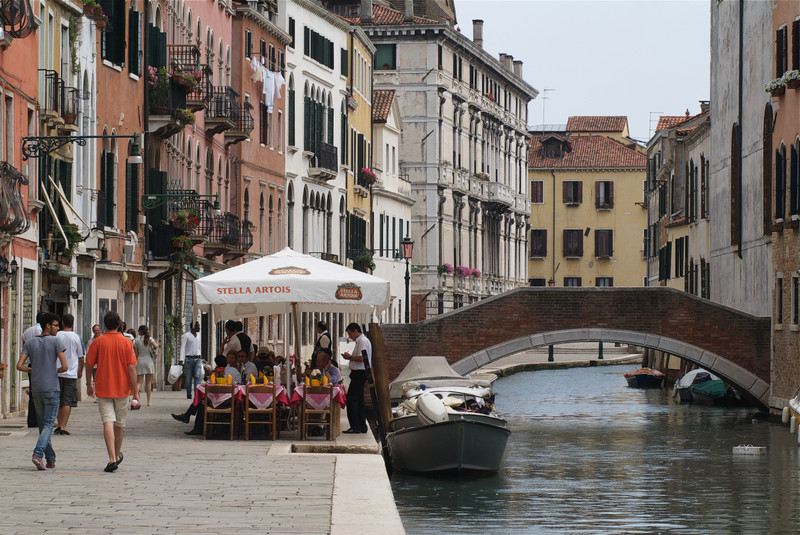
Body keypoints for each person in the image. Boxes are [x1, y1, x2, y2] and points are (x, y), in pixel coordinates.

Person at [85, 311, 139, 473]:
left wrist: (89, 384)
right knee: (119, 424)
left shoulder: (97, 342)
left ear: (104, 325)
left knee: (107, 421)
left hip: (102, 387)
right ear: (119, 325)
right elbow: (132, 367)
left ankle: (112, 458)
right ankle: (116, 454)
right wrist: (136, 391)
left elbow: (89, 365)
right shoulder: (126, 342)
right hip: (122, 388)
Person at [16, 312, 67, 470]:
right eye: (56, 325)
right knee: (49, 424)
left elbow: (19, 365)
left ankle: (50, 459)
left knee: (43, 426)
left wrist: (33, 370)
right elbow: (65, 367)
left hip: (36, 389)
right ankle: (38, 454)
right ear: (48, 326)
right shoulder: (56, 341)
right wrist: (52, 370)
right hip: (51, 388)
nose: (58, 328)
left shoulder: (30, 342)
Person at [172, 355, 226, 432]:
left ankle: (189, 418)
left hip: (220, 399)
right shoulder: (221, 371)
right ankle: (193, 424)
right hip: (218, 397)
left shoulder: (220, 371)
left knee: (201, 402)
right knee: (201, 402)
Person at [54, 314, 85, 435]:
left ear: (62, 323)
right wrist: (80, 370)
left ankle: (59, 422)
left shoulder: (56, 335)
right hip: (71, 373)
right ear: (73, 323)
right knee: (67, 401)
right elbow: (81, 357)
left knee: (57, 400)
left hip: (57, 372)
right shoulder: (76, 337)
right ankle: (63, 426)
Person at [341, 323, 372, 434]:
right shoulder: (361, 341)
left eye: (350, 333)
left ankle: (355, 426)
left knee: (352, 400)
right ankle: (361, 426)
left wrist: (349, 357)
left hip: (359, 373)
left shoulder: (363, 341)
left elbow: (362, 358)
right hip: (358, 373)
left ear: (355, 331)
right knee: (359, 400)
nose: (349, 336)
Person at [134, 325, 158, 407]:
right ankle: (148, 402)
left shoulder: (136, 341)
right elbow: (156, 346)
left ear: (140, 331)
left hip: (140, 361)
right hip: (148, 361)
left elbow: (136, 354)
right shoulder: (149, 339)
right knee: (148, 383)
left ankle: (136, 400)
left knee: (139, 382)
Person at [179, 322, 202, 399]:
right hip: (189, 359)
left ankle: (197, 395)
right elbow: (183, 347)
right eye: (198, 326)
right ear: (193, 327)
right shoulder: (187, 335)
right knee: (188, 378)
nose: (199, 327)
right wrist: (181, 359)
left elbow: (199, 347)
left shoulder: (199, 335)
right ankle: (189, 394)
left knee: (197, 376)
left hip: (198, 359)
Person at [85, 324, 102, 397]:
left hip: (102, 364)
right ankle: (97, 394)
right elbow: (89, 354)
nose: (97, 332)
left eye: (98, 330)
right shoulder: (90, 342)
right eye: (95, 331)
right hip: (94, 365)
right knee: (95, 380)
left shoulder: (103, 339)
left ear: (100, 330)